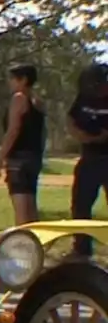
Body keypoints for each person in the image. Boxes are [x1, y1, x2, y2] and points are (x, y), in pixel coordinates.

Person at [0, 64, 46, 225]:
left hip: (18, 159)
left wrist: (0, 157)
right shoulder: (37, 102)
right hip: (34, 158)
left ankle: (24, 245)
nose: (10, 83)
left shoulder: (19, 98)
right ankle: (36, 245)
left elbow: (13, 130)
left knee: (21, 209)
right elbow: (43, 132)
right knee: (31, 207)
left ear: (23, 80)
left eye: (13, 79)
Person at [66, 62, 108, 258]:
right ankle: (82, 248)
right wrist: (79, 134)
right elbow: (71, 118)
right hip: (89, 157)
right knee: (80, 204)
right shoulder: (84, 97)